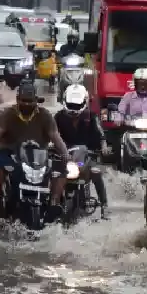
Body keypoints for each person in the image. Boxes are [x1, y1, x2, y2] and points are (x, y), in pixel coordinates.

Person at [0, 81, 69, 219]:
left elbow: (56, 137)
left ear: (36, 100)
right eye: (24, 101)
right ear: (18, 99)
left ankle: (54, 203)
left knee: (62, 166)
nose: (27, 104)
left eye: (30, 101)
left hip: (39, 156)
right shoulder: (8, 114)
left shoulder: (45, 115)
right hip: (12, 154)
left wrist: (65, 153)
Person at [53, 83, 109, 215]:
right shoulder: (58, 117)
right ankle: (51, 204)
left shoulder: (92, 117)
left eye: (77, 106)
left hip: (88, 155)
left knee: (96, 172)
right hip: (64, 156)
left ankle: (104, 205)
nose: (74, 110)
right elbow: (51, 134)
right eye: (71, 105)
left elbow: (101, 135)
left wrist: (104, 146)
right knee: (51, 173)